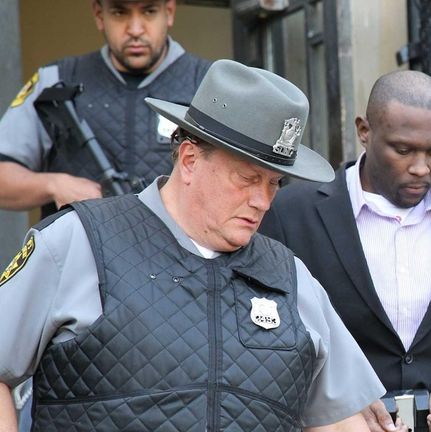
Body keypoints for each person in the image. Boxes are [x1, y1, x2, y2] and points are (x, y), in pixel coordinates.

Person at [0, 59, 390, 431]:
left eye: (274, 183)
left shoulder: (293, 278)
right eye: (248, 178)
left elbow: (338, 419)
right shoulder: (77, 242)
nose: (264, 201)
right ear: (189, 159)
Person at [258, 70, 431, 432]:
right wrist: (333, 410)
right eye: (402, 150)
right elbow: (263, 337)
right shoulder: (291, 214)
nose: (421, 168)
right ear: (364, 131)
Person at [0, 0, 210, 217]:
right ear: (100, 15)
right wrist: (53, 184)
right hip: (79, 248)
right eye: (120, 13)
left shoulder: (209, 84)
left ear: (169, 12)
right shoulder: (56, 79)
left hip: (178, 249)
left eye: (149, 11)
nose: (135, 29)